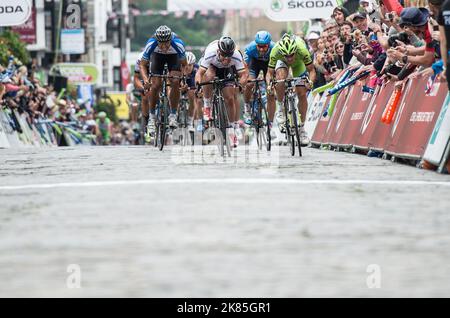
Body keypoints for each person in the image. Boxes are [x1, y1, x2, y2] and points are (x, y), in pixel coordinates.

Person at [195, 36, 249, 148]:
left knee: (229, 98)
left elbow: (244, 75)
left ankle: (232, 130)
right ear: (219, 51)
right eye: (224, 55)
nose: (227, 59)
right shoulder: (210, 53)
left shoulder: (236, 55)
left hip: (227, 70)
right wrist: (198, 86)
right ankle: (207, 105)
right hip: (212, 66)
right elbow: (199, 74)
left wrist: (240, 85)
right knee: (208, 76)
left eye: (229, 56)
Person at [266, 33, 316, 146]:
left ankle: (302, 129)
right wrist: (269, 85)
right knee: (280, 78)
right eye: (286, 56)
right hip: (281, 63)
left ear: (295, 51)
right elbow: (269, 73)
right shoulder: (276, 51)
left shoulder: (302, 49)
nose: (289, 58)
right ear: (282, 53)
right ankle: (280, 107)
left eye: (291, 55)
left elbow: (312, 70)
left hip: (299, 64)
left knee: (302, 94)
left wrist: (310, 82)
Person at [140, 25, 187, 136]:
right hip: (157, 57)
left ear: (171, 40)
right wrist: (146, 80)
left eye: (167, 43)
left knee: (175, 81)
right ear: (157, 41)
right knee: (155, 85)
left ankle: (173, 114)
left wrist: (183, 80)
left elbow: (184, 65)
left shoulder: (178, 44)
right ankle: (151, 118)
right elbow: (142, 65)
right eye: (161, 43)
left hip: (173, 57)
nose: (164, 46)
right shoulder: (151, 44)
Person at [243, 31, 276, 126]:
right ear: (256, 44)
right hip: (254, 65)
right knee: (249, 84)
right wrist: (246, 78)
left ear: (269, 44)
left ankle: (270, 122)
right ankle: (247, 107)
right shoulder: (250, 48)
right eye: (259, 46)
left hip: (268, 66)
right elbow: (245, 67)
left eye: (264, 46)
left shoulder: (274, 48)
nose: (261, 49)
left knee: (270, 91)